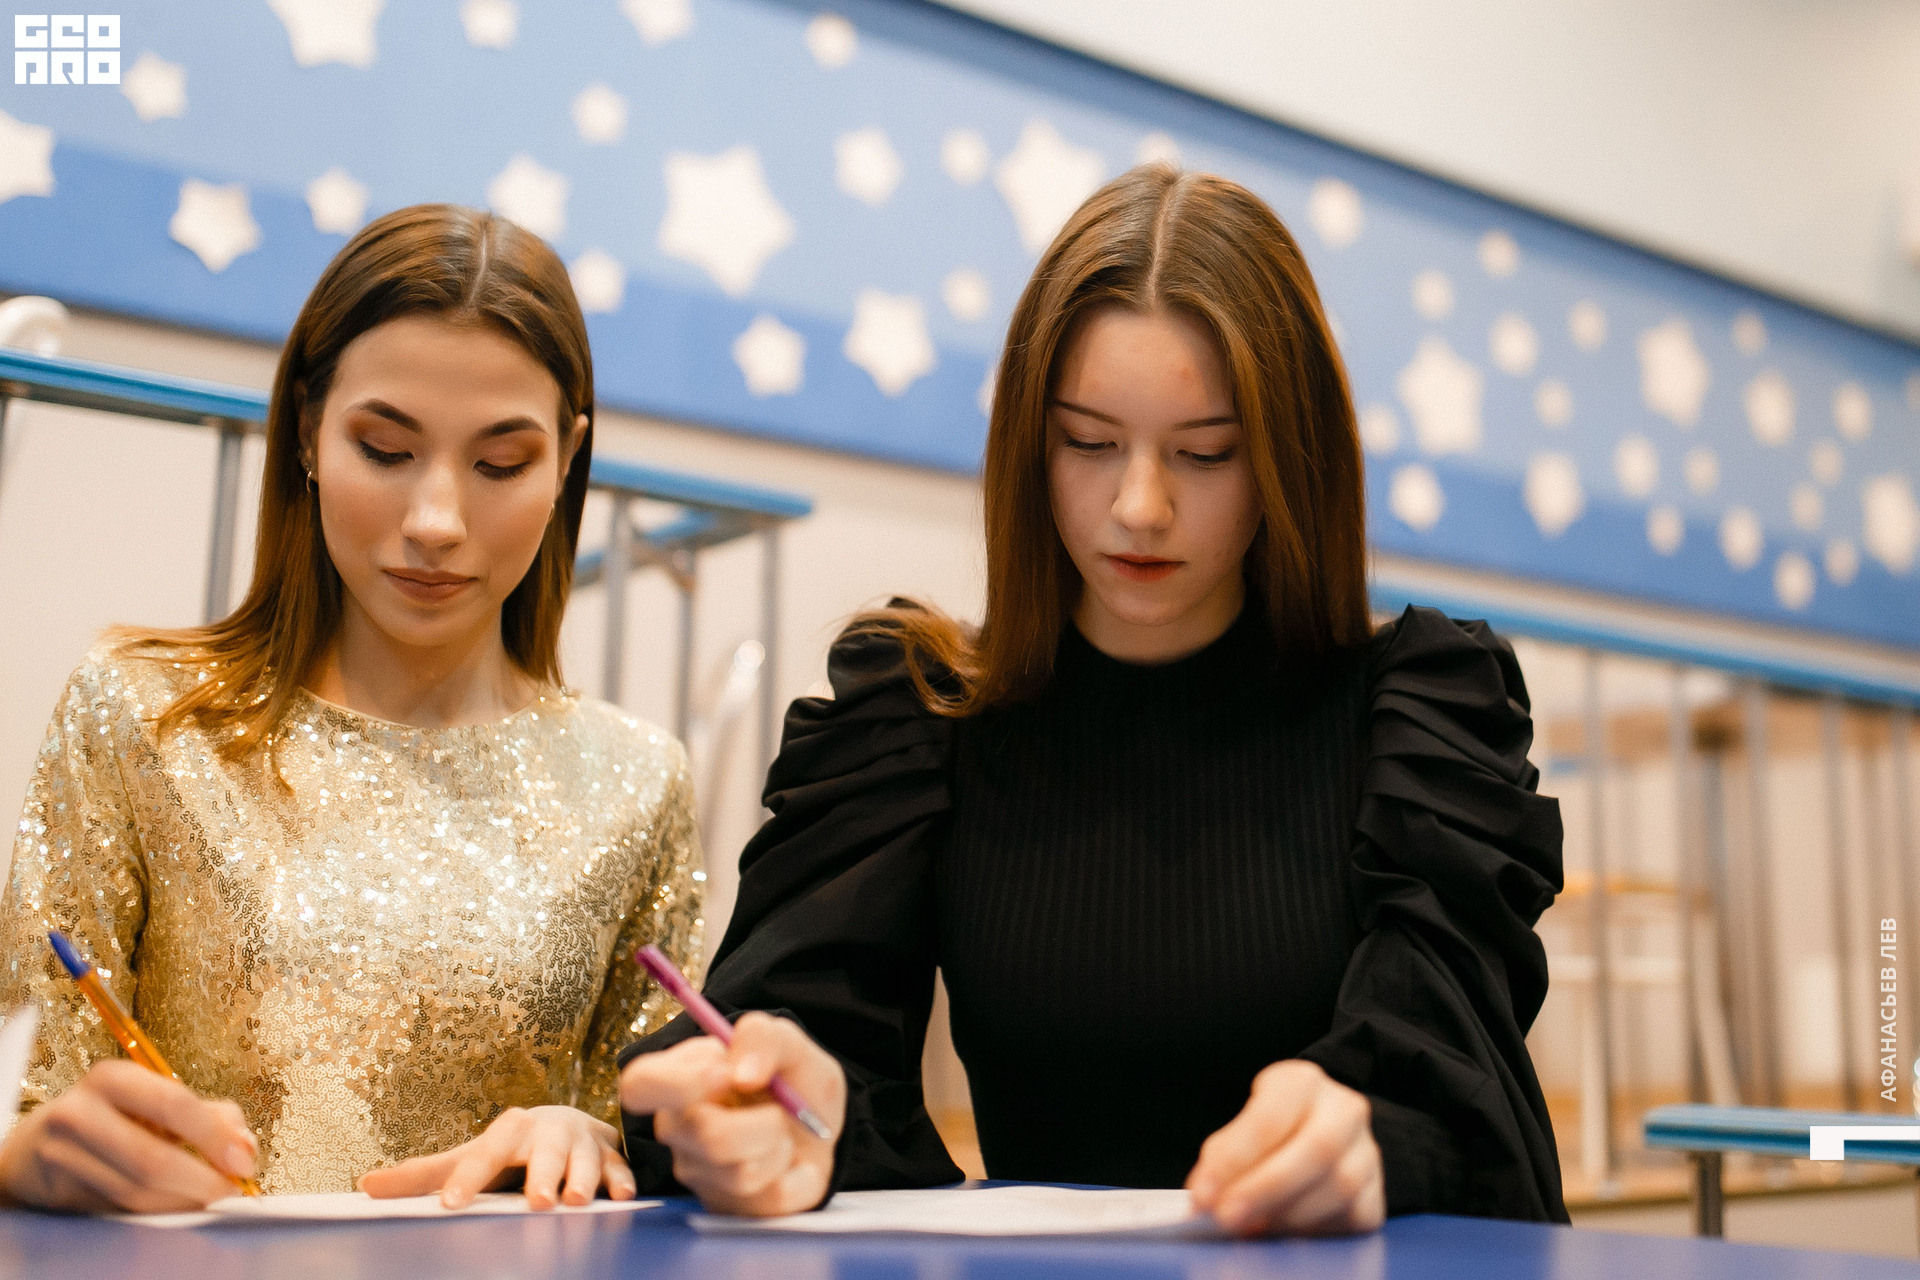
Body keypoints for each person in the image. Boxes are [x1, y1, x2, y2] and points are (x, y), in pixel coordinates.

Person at [615, 165, 1567, 1235]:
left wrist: (1374, 1138)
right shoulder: (915, 713)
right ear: (1031, 442)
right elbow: (798, 1031)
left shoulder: (1422, 714)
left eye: (1206, 452)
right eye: (1089, 442)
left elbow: (1458, 1085)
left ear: (1289, 457)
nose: (1140, 506)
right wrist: (794, 1113)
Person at [0, 204, 703, 1212]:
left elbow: (662, 1151)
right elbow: (32, 1089)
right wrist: (25, 1157)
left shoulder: (635, 782)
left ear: (566, 462)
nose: (436, 521)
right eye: (384, 448)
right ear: (307, 430)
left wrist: (599, 1137)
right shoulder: (146, 717)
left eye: (501, 464)